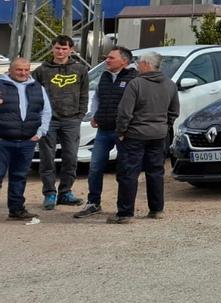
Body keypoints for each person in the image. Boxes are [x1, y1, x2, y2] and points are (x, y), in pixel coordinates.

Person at [110, 51, 180, 224]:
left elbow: (124, 112)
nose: (137, 66)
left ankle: (125, 213)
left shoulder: (136, 84)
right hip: (158, 135)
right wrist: (164, 126)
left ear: (147, 64)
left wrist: (121, 132)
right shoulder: (170, 85)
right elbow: (174, 111)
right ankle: (156, 209)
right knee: (156, 172)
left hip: (135, 135)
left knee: (129, 173)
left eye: (139, 63)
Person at [74, 46, 137, 219]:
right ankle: (93, 203)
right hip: (103, 130)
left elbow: (137, 105)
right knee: (95, 168)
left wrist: (128, 126)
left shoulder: (134, 78)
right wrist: (94, 115)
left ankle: (123, 208)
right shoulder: (105, 76)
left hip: (123, 132)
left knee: (124, 171)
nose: (106, 60)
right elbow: (97, 98)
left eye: (111, 58)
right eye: (106, 57)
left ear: (124, 61)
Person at [34, 34, 90, 209]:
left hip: (71, 120)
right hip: (48, 121)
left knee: (71, 157)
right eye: (57, 48)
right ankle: (49, 193)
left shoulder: (80, 69)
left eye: (64, 48)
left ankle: (65, 192)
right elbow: (34, 95)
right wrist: (39, 118)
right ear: (52, 48)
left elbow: (84, 94)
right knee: (47, 159)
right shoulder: (41, 70)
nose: (60, 51)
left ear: (71, 50)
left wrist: (80, 114)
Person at [1, 58, 52, 222]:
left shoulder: (38, 87)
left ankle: (16, 210)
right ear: (10, 70)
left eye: (26, 70)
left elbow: (46, 112)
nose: (23, 73)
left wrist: (40, 132)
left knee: (19, 176)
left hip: (27, 141)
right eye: (19, 70)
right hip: (2, 140)